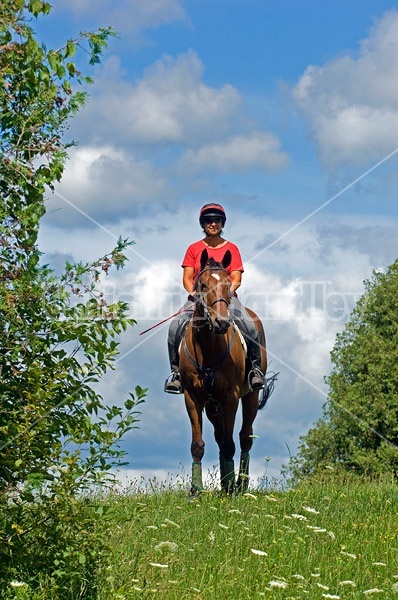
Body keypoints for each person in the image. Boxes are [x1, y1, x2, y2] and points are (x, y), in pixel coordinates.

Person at [164, 203, 266, 394]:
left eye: (217, 220)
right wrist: (197, 295)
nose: (213, 224)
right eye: (209, 220)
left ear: (222, 223)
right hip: (198, 299)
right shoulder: (193, 249)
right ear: (202, 224)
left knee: (249, 325)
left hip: (226, 299)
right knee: (174, 327)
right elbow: (187, 279)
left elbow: (236, 278)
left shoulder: (232, 249)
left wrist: (224, 295)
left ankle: (255, 370)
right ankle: (176, 374)